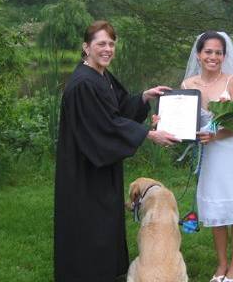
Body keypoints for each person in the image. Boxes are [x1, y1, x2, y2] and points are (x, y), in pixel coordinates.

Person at [54, 20, 180, 282]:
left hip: (101, 168)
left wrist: (144, 97)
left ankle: (107, 272)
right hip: (85, 171)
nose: (107, 49)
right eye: (101, 43)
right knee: (90, 225)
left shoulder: (101, 76)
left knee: (105, 222)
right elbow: (103, 127)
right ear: (86, 47)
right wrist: (148, 133)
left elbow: (119, 109)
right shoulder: (83, 84)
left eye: (111, 43)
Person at [181, 31, 233, 282]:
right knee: (216, 208)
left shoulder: (232, 82)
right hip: (209, 154)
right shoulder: (188, 85)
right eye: (208, 52)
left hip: (232, 151)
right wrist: (164, 123)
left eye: (218, 52)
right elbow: (183, 120)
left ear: (225, 56)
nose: (213, 57)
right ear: (198, 54)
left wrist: (215, 135)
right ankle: (221, 264)